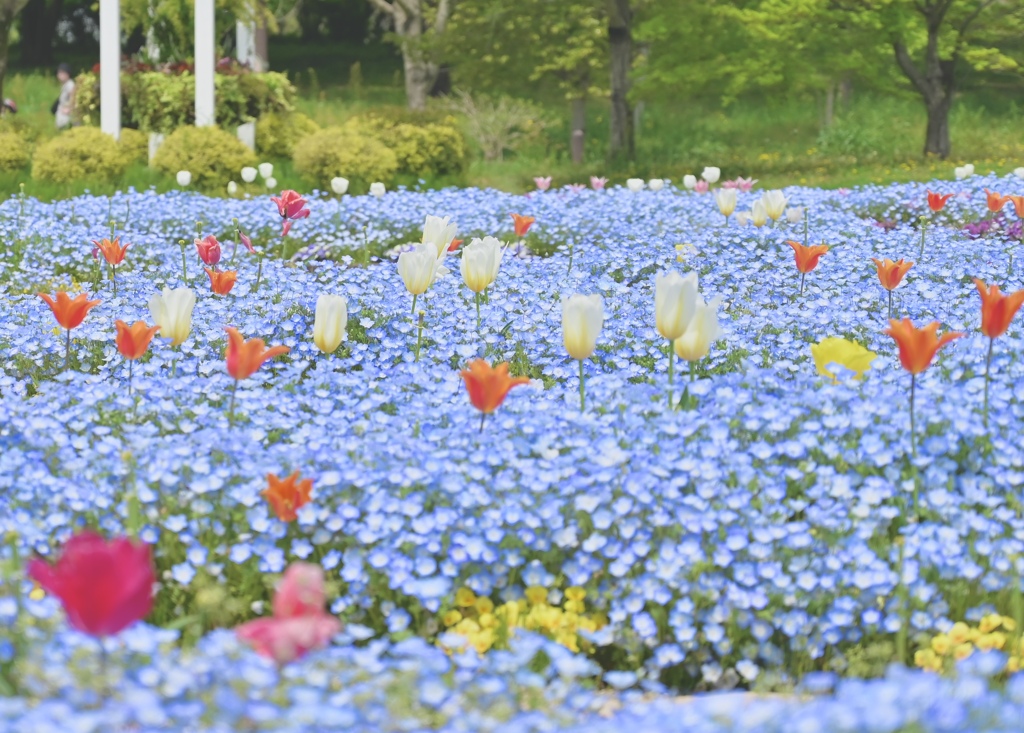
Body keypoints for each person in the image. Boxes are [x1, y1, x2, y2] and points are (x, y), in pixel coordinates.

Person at [54, 63, 75, 129]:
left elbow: (73, 96)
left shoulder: (70, 84)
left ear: (68, 74)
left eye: (62, 73)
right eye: (59, 73)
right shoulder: (65, 84)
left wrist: (69, 108)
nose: (60, 75)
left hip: (67, 113)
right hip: (63, 111)